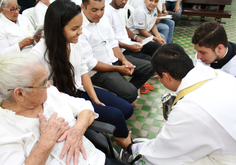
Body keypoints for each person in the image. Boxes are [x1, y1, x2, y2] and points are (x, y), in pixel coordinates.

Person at [31, 0, 133, 148]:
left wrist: (94, 98)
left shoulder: (73, 41)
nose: (80, 31)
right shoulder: (38, 55)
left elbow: (83, 70)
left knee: (127, 109)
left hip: (79, 90)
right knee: (116, 116)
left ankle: (114, 135)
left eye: (81, 26)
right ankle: (123, 142)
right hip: (64, 101)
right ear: (57, 28)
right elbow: (45, 95)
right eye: (74, 28)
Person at [0, 52, 130, 165]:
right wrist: (46, 143)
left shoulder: (50, 94)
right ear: (20, 94)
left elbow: (85, 107)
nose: (49, 85)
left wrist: (77, 130)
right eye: (43, 83)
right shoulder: (5, 129)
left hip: (96, 159)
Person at [122, 43, 236, 164]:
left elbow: (163, 151)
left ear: (166, 76)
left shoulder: (187, 110)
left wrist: (130, 147)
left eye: (158, 77)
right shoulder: (219, 75)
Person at [80, 0, 155, 103]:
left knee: (150, 67)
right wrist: (118, 69)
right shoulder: (80, 29)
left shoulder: (103, 19)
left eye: (102, 9)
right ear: (83, 7)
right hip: (98, 71)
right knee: (131, 93)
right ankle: (125, 96)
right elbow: (90, 63)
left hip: (113, 60)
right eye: (94, 10)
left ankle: (123, 95)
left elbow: (113, 43)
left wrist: (124, 61)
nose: (99, 13)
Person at [105, 0, 160, 92]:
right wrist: (128, 47)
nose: (124, 1)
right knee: (150, 63)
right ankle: (130, 90)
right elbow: (110, 41)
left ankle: (136, 86)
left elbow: (124, 27)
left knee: (156, 47)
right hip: (120, 49)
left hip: (128, 42)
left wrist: (136, 37)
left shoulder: (121, 8)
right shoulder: (106, 13)